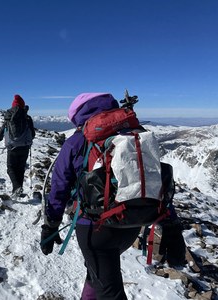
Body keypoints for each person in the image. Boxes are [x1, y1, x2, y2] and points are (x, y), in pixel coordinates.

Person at [40, 93, 185, 300]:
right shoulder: (136, 135)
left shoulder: (76, 142)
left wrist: (50, 226)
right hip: (133, 222)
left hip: (95, 229)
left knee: (110, 292)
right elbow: (153, 183)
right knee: (98, 275)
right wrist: (171, 225)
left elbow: (59, 188)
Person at [0, 95, 35, 196]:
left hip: (12, 147)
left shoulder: (9, 117)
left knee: (11, 168)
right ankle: (18, 189)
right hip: (25, 147)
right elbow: (33, 133)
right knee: (20, 168)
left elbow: (1, 133)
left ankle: (17, 188)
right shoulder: (27, 117)